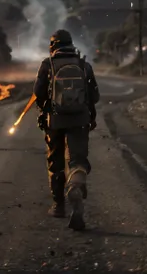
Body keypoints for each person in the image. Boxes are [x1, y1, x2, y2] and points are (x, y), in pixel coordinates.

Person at [33, 29, 99, 231]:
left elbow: (38, 93)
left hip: (55, 121)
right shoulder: (83, 65)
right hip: (80, 120)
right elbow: (94, 97)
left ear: (53, 46)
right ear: (71, 44)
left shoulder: (48, 65)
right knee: (78, 160)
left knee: (56, 163)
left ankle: (59, 206)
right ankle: (76, 187)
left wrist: (45, 110)